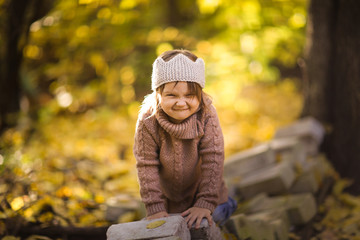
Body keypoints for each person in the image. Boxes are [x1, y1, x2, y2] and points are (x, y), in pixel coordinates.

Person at [133, 49, 237, 229]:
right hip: (169, 201)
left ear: (199, 94)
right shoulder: (148, 120)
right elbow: (146, 164)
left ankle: (228, 205)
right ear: (158, 93)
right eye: (171, 95)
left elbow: (213, 157)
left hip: (206, 195)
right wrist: (154, 207)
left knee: (204, 225)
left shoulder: (206, 114)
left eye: (189, 95)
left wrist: (205, 203)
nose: (181, 103)